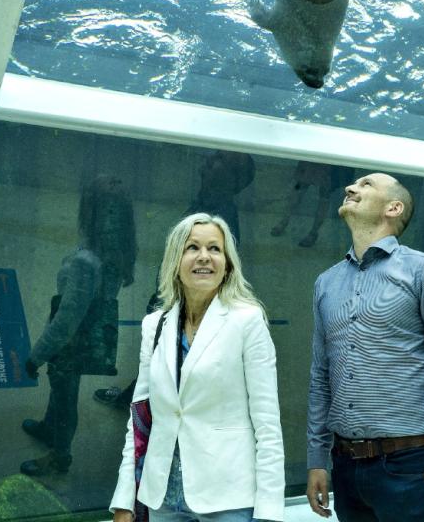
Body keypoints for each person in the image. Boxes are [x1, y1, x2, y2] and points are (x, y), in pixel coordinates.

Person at [306, 172, 424, 522]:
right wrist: (316, 460)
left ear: (393, 208)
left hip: (411, 469)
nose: (351, 187)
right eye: (353, 183)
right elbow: (321, 377)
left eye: (366, 184)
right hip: (345, 467)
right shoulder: (326, 283)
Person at [110, 213, 285, 522]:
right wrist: (125, 497)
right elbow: (138, 418)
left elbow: (267, 422)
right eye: (192, 247)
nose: (204, 257)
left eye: (215, 249)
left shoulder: (247, 320)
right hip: (162, 496)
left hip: (227, 498)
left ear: (228, 263)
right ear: (175, 260)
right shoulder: (155, 325)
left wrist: (269, 510)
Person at [93, 150, 256, 408]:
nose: (207, 161)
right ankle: (132, 400)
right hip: (171, 300)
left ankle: (138, 407)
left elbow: (212, 278)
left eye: (217, 161)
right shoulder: (205, 203)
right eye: (212, 157)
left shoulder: (220, 217)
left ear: (232, 179)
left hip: (180, 307)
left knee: (166, 365)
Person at [20, 175, 136, 476]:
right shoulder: (115, 256)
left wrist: (38, 355)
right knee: (60, 390)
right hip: (91, 337)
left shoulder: (86, 262)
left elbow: (67, 318)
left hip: (69, 344)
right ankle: (49, 428)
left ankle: (60, 455)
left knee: (64, 397)